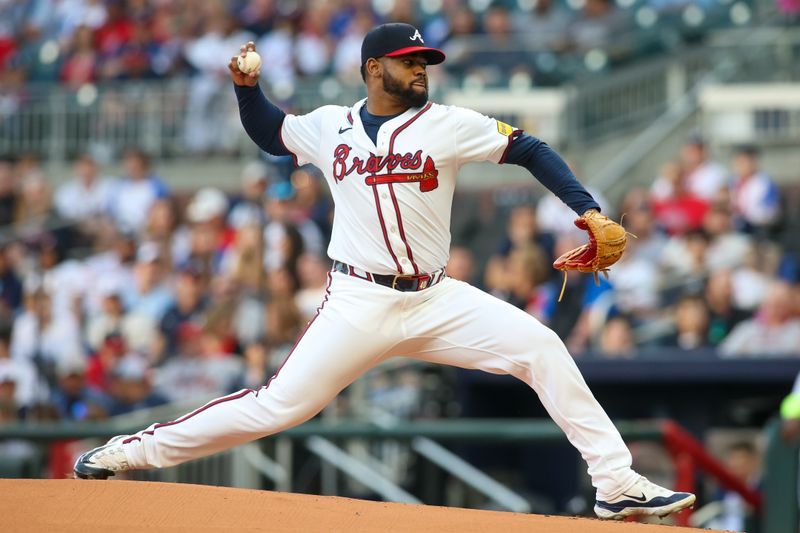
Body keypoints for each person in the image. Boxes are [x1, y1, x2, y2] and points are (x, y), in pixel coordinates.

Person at [73, 23, 695, 520]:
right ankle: (133, 451)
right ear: (374, 68)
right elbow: (271, 133)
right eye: (408, 59)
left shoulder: (448, 124)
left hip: (435, 297)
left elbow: (528, 148)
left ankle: (616, 483)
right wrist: (245, 89)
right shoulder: (330, 127)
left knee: (542, 346)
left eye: (425, 59)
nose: (421, 67)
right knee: (277, 408)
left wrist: (586, 209)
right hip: (358, 302)